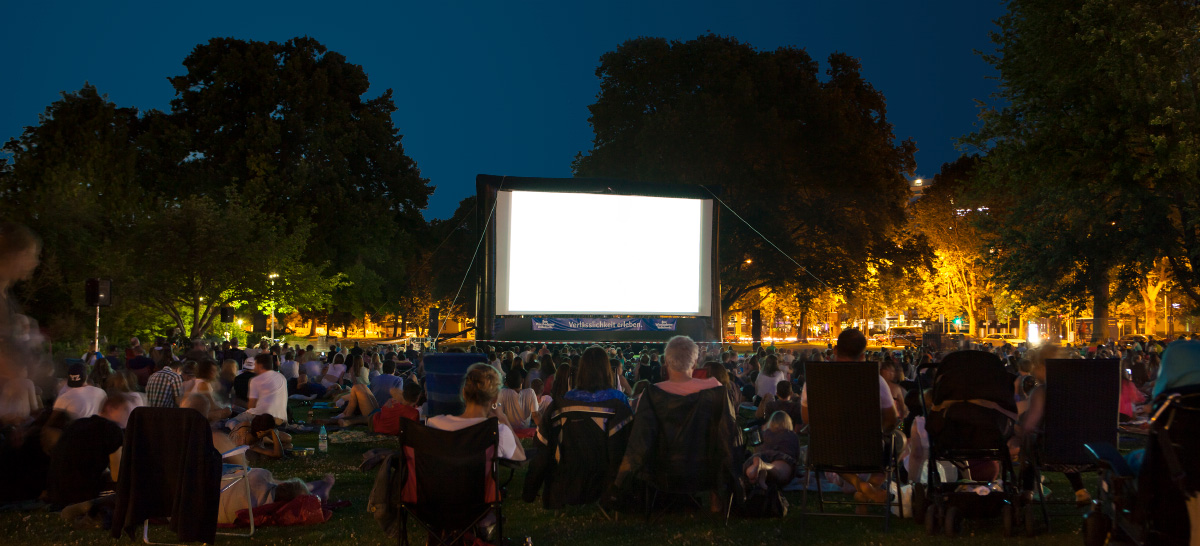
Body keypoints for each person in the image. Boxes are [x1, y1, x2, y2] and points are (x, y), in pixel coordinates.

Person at [523, 346, 633, 508]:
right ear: (608, 370)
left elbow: (542, 448)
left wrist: (530, 490)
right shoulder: (619, 403)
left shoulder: (562, 405)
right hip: (605, 481)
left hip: (567, 479)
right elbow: (629, 444)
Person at [798, 328, 898, 506]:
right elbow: (891, 419)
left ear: (835, 350)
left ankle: (861, 488)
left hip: (827, 454)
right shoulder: (875, 380)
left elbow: (807, 420)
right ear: (862, 356)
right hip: (869, 453)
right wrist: (879, 433)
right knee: (899, 441)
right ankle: (868, 488)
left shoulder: (816, 379)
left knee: (834, 445)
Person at [46, 392, 135, 509]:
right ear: (110, 408)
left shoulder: (78, 423)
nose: (129, 416)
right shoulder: (112, 430)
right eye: (126, 410)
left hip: (56, 493)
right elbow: (118, 475)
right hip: (81, 496)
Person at [427, 363, 525, 461]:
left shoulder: (434, 424)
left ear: (463, 393)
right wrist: (503, 419)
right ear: (495, 399)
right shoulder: (499, 433)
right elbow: (521, 457)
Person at [744, 410, 800, 489]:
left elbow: (758, 449)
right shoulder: (792, 435)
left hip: (763, 455)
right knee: (778, 472)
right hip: (782, 457)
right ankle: (764, 466)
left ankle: (757, 472)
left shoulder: (766, 432)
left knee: (751, 470)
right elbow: (796, 456)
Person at [229, 353, 289, 427]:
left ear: (260, 366)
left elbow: (251, 406)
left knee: (230, 422)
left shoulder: (255, 380)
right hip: (281, 418)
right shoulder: (282, 377)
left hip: (261, 417)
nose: (254, 368)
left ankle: (246, 434)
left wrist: (238, 402)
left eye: (256, 365)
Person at [497, 365, 539, 430]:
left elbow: (498, 415)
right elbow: (535, 415)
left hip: (509, 432)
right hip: (525, 434)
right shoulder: (530, 392)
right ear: (522, 380)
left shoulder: (502, 393)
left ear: (506, 384)